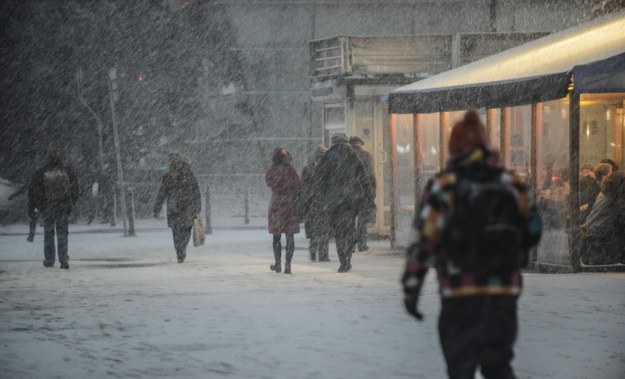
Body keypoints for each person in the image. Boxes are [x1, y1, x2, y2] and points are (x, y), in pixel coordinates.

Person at [401, 110, 542, 379]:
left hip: (459, 292)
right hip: (502, 293)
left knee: (460, 369)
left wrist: (411, 288)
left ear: (454, 148)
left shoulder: (445, 185)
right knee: (498, 367)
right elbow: (534, 230)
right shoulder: (511, 183)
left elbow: (424, 241)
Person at [314, 133, 369, 273]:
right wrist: (366, 195)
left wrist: (321, 197)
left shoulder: (328, 156)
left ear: (333, 142)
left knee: (339, 232)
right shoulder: (352, 155)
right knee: (350, 230)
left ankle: (342, 260)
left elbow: (320, 179)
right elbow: (363, 176)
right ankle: (348, 259)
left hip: (334, 200)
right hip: (352, 199)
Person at [28, 148, 79, 269]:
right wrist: (69, 205)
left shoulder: (41, 172)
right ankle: (63, 259)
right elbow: (75, 190)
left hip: (47, 208)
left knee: (48, 234)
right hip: (62, 207)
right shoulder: (67, 172)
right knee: (62, 233)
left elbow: (34, 192)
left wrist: (39, 206)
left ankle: (49, 259)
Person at [153, 153, 201, 263]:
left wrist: (157, 208)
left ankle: (180, 251)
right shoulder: (190, 176)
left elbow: (162, 194)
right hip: (187, 209)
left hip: (174, 208)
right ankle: (182, 248)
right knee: (186, 230)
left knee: (176, 232)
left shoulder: (169, 177)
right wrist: (197, 208)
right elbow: (197, 194)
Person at [266, 147, 302, 274]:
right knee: (289, 235)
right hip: (289, 204)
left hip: (276, 204)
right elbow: (299, 185)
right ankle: (288, 265)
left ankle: (278, 264)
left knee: (276, 236)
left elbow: (269, 182)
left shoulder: (271, 171)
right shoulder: (291, 170)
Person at [580, 170, 625, 265]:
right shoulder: (614, 199)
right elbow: (621, 218)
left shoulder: (604, 194)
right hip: (603, 246)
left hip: (592, 245)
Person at [298, 145, 330, 262]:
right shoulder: (327, 169)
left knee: (317, 230)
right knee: (320, 230)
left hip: (316, 203)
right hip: (319, 203)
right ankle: (320, 253)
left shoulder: (309, 169)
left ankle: (318, 253)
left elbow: (304, 187)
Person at [349, 136, 376, 252]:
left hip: (350, 192)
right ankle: (362, 244)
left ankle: (351, 245)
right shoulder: (366, 155)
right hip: (363, 192)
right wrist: (372, 190)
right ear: (360, 144)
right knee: (362, 220)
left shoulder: (347, 156)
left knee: (350, 220)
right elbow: (370, 175)